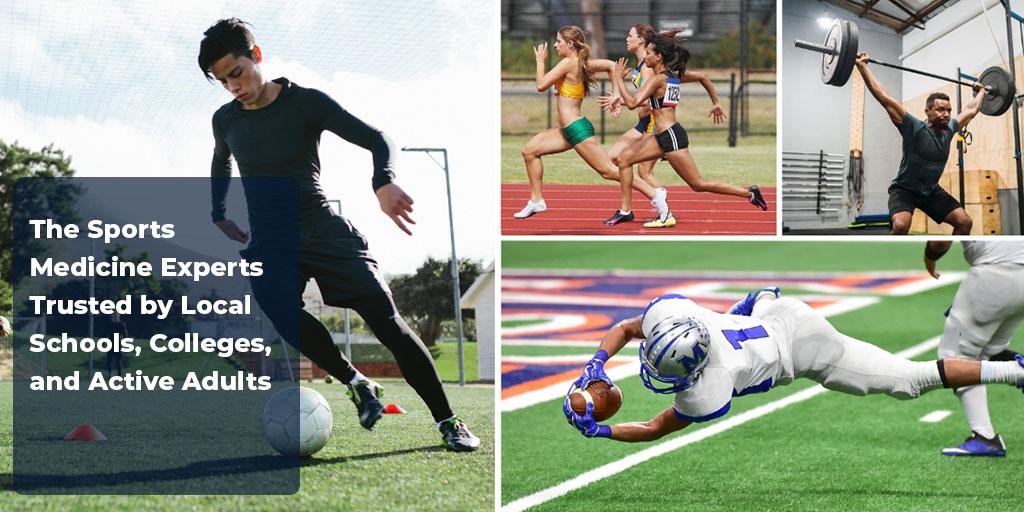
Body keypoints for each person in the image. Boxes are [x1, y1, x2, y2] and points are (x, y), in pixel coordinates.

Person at [198, 18, 478, 451]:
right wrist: (218, 213)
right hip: (270, 240)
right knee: (279, 309)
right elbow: (221, 162)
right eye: (222, 81)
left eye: (236, 73)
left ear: (256, 56)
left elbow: (377, 137)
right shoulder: (225, 121)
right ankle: (356, 382)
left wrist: (382, 181)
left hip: (322, 229)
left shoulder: (305, 103)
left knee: (389, 325)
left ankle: (450, 422)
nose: (233, 86)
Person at [562, 292, 1024, 442]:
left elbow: (657, 425)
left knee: (910, 380)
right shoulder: (675, 317)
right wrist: (595, 365)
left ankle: (1014, 371)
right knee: (753, 302)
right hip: (774, 310)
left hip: (805, 350)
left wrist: (600, 431)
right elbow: (625, 329)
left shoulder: (709, 389)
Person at [512, 25, 671, 225]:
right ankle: (536, 200)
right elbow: (612, 66)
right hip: (565, 131)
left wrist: (540, 61)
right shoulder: (580, 63)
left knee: (609, 171)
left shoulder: (569, 63)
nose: (555, 45)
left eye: (559, 41)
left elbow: (541, 85)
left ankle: (656, 194)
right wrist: (615, 92)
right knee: (530, 151)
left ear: (570, 44)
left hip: (577, 129)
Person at [608, 33, 767, 228]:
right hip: (661, 136)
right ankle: (626, 210)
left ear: (658, 57)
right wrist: (715, 103)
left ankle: (750, 193)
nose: (645, 57)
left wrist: (617, 80)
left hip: (671, 136)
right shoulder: (672, 75)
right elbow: (703, 76)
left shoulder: (658, 79)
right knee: (624, 160)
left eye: (648, 53)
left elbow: (633, 103)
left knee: (698, 184)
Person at [856, 53, 984, 235]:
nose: (946, 114)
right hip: (904, 190)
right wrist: (862, 67)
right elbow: (884, 98)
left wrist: (982, 92)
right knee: (901, 225)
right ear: (927, 111)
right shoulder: (913, 127)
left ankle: (934, 254)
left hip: (931, 192)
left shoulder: (950, 128)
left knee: (964, 222)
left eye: (948, 111)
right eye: (941, 110)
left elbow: (971, 110)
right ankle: (888, 256)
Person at [925, 240, 1024, 456]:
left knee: (955, 358)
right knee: (990, 351)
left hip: (995, 272)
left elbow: (939, 241)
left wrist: (929, 257)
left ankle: (984, 436)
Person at [600, 24, 663, 225]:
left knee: (644, 171)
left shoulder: (647, 66)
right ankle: (631, 209)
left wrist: (622, 99)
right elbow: (639, 96)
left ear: (641, 40)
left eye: (630, 36)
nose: (626, 39)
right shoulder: (640, 63)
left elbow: (648, 98)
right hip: (642, 123)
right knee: (611, 158)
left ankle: (663, 209)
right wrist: (619, 95)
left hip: (654, 123)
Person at [107, 312, 127, 377]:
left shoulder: (121, 324)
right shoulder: (109, 324)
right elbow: (105, 333)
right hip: (110, 343)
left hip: (118, 343)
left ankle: (119, 375)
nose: (115, 316)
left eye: (116, 315)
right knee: (109, 360)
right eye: (113, 315)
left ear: (119, 315)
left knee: (118, 361)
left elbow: (125, 335)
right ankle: (110, 374)